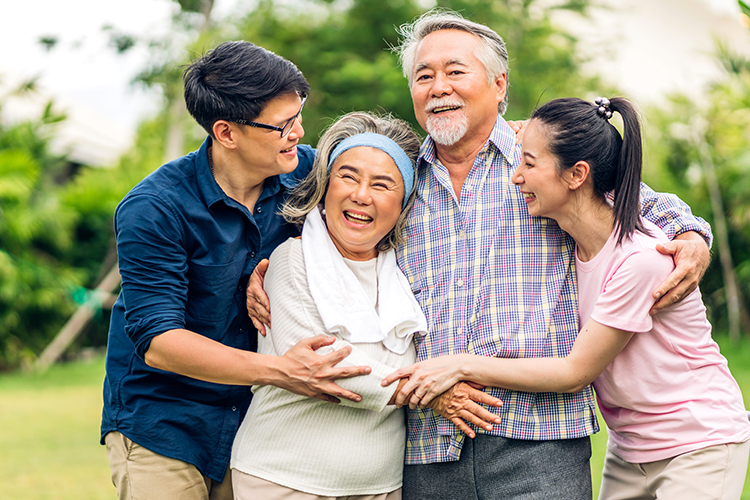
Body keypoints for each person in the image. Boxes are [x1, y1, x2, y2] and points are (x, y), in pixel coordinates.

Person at [247, 10, 713, 500]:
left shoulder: (538, 161)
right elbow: (331, 231)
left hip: (539, 440)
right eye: (423, 76)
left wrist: (693, 237)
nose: (438, 86)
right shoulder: (399, 184)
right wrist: (261, 269)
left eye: (455, 71)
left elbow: (648, 205)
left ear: (498, 84)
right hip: (428, 445)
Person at [389, 96, 750, 499]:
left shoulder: (642, 260)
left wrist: (460, 366)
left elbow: (574, 372)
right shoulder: (571, 243)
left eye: (528, 164)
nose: (515, 177)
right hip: (631, 447)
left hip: (697, 439)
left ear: (577, 175)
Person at [100, 41, 374, 500]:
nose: (298, 133)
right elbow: (160, 344)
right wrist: (283, 370)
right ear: (226, 132)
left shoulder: (306, 174)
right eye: (282, 125)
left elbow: (391, 167)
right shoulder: (154, 208)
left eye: (299, 116)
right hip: (164, 421)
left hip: (254, 422)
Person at [230, 111, 502, 500]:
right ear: (325, 185)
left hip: (380, 486)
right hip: (284, 478)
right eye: (349, 177)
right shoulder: (293, 260)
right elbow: (326, 367)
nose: (361, 195)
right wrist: (432, 392)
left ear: (404, 202)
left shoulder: (409, 270)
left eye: (382, 184)